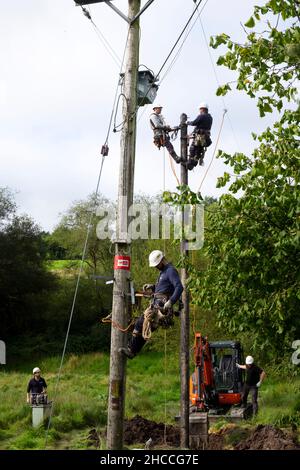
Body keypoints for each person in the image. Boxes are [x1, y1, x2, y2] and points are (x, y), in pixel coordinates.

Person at [119, 250, 183, 359]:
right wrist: (153, 286)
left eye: (157, 264)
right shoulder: (163, 272)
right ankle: (132, 350)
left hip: (162, 306)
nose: (156, 267)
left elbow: (179, 287)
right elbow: (164, 287)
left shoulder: (170, 271)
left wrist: (171, 301)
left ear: (162, 260)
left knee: (142, 324)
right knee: (142, 325)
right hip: (157, 303)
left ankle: (131, 350)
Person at [186, 103, 213, 170]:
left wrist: (187, 122)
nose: (199, 111)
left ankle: (190, 163)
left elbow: (194, 123)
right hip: (206, 137)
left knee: (192, 149)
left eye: (200, 109)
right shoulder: (210, 117)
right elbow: (200, 125)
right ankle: (194, 163)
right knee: (199, 150)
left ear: (202, 109)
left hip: (199, 137)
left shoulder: (201, 116)